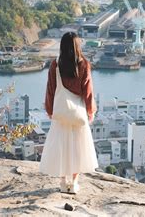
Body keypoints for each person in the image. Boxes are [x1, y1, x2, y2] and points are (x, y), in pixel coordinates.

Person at [39, 32, 98, 194]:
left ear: (62, 46)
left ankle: (63, 182)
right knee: (78, 149)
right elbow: (88, 92)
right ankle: (74, 183)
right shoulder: (83, 64)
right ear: (77, 46)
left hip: (61, 113)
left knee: (62, 147)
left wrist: (50, 110)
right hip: (78, 113)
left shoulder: (55, 65)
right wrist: (90, 111)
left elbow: (50, 90)